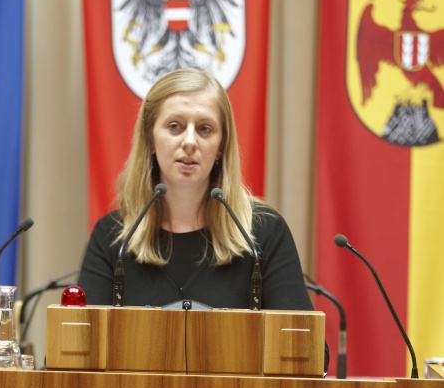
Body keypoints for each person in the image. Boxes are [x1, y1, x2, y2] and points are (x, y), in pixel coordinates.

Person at [78, 67, 328, 371]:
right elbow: (78, 354)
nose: (190, 142)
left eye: (205, 129)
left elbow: (309, 354)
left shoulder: (262, 233)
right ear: (150, 139)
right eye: (174, 126)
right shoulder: (114, 237)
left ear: (221, 147)